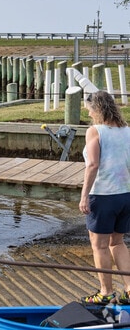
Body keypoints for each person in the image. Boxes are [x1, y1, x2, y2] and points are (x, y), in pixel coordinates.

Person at [79, 91, 130, 305]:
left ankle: (106, 292)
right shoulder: (127, 130)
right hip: (126, 194)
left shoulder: (95, 131)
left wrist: (84, 196)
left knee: (99, 245)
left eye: (90, 110)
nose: (89, 114)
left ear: (97, 109)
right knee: (117, 242)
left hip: (103, 195)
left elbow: (92, 165)